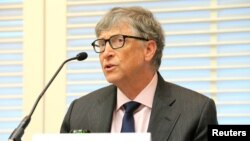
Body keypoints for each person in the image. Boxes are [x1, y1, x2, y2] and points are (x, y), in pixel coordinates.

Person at [60, 6, 218, 141]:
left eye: (117, 40)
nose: (105, 53)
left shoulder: (197, 112)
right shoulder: (79, 111)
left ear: (148, 50)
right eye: (101, 44)